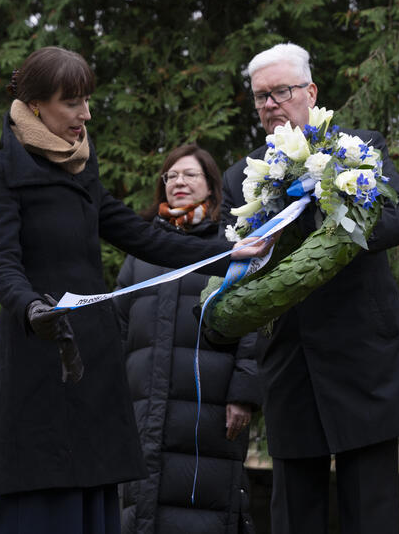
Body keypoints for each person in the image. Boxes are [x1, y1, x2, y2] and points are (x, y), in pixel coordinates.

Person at [0, 46, 270, 534]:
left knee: (92, 483)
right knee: (39, 491)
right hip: (38, 352)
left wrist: (223, 252)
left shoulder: (82, 168)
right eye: (72, 102)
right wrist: (30, 309)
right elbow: (1, 264)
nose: (85, 114)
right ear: (36, 105)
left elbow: (140, 233)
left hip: (94, 356)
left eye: (88, 100)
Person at [219, 43, 399, 534]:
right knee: (295, 514)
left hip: (365, 356)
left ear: (310, 92)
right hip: (292, 363)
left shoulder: (356, 149)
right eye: (261, 96)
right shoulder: (240, 180)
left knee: (371, 512)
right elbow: (227, 268)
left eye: (282, 91)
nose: (271, 103)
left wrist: (339, 215)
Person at [115, 144, 261, 534]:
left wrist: (243, 392)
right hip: (143, 408)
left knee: (204, 511)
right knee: (139, 508)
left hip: (209, 410)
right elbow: (120, 329)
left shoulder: (233, 247)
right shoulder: (140, 252)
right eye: (171, 176)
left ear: (212, 187)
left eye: (189, 175)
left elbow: (252, 320)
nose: (178, 182)